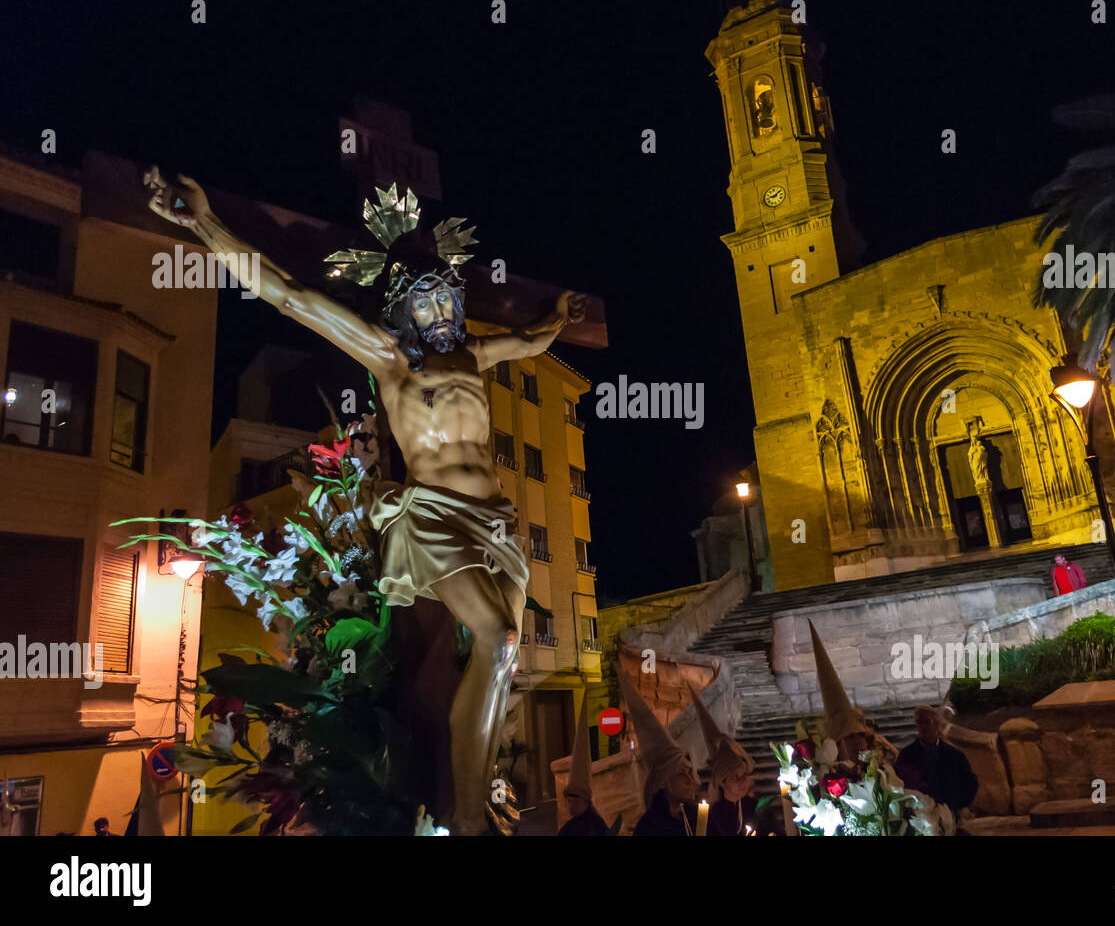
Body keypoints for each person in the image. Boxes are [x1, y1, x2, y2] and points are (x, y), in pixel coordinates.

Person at [146, 170, 586, 835]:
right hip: (435, 518)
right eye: (427, 303)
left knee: (503, 654)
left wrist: (557, 318)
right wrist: (205, 226)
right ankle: (467, 817)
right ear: (404, 310)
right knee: (496, 641)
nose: (441, 313)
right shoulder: (389, 358)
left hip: (496, 523)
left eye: (447, 299)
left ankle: (471, 790)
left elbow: (530, 340)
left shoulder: (474, 353)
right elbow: (289, 294)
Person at [808, 621, 897, 778]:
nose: (857, 742)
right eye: (849, 737)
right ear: (836, 744)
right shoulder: (831, 780)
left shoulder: (882, 770)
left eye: (860, 735)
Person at [620, 668, 700, 836]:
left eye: (689, 771)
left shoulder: (697, 817)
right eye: (681, 773)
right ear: (664, 781)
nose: (689, 779)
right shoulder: (650, 827)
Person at [687, 683, 762, 836]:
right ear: (722, 781)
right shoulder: (713, 816)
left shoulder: (753, 807)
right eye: (736, 777)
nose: (742, 781)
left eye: (743, 775)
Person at [894, 706, 978, 814]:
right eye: (919, 723)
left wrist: (958, 805)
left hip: (950, 811)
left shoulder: (955, 755)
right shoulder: (906, 755)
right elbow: (898, 784)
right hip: (919, 814)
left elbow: (970, 782)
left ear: (936, 724)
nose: (923, 726)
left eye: (927, 722)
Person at [557, 690, 610, 836]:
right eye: (569, 802)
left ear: (585, 802)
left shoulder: (594, 826)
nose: (571, 807)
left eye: (575, 802)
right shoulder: (570, 829)